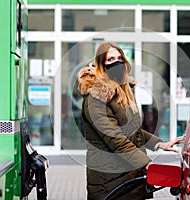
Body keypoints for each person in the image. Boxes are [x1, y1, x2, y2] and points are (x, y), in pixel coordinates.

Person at [76, 42, 184, 200]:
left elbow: (133, 131)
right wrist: (147, 164)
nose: (117, 62)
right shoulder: (95, 99)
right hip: (110, 180)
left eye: (120, 58)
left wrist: (160, 144)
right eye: (110, 59)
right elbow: (116, 139)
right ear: (100, 65)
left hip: (129, 176)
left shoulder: (121, 91)